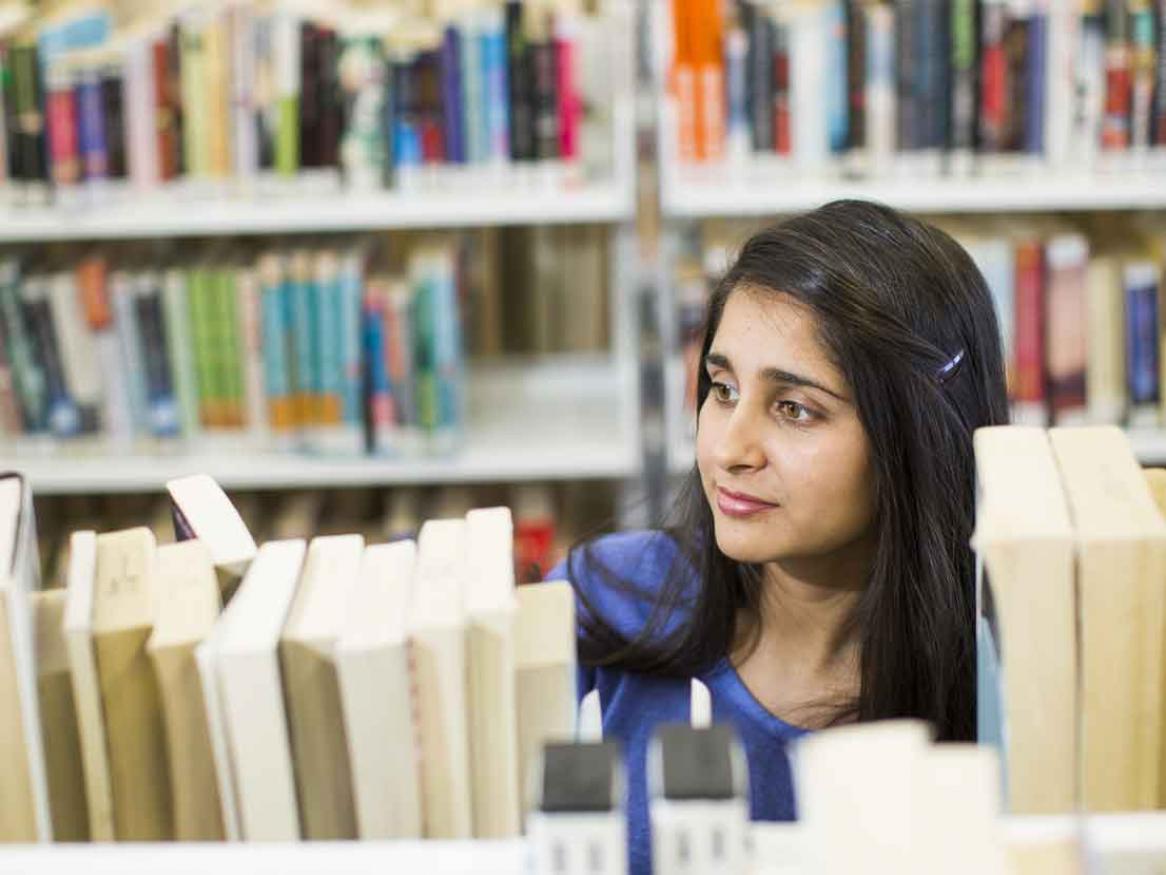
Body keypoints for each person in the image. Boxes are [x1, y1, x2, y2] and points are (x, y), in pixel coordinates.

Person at [546, 199, 1010, 874]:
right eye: (723, 387)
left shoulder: (998, 686)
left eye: (794, 409)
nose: (730, 448)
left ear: (913, 438)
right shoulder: (603, 600)